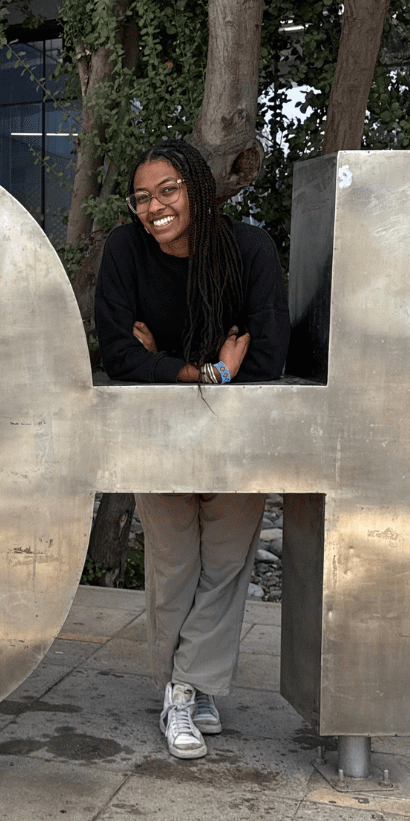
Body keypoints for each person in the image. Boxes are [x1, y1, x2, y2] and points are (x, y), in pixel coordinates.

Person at [94, 139, 289, 759]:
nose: (155, 206)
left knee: (228, 564)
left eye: (169, 190)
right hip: (161, 437)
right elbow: (118, 355)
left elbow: (265, 357)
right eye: (143, 196)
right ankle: (185, 690)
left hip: (239, 442)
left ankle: (190, 685)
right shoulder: (126, 250)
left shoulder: (249, 249)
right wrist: (203, 375)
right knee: (174, 563)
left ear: (198, 190)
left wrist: (162, 362)